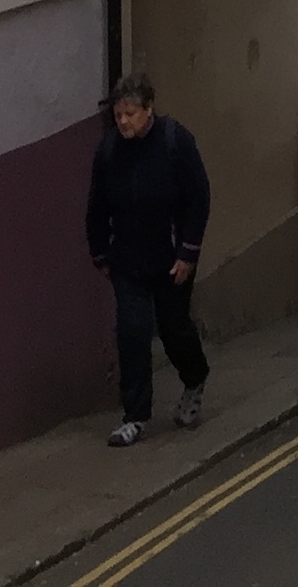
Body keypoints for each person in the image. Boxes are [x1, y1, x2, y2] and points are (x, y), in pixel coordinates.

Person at [85, 71, 211, 447]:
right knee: (132, 333)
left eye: (130, 113)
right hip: (128, 259)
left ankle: (195, 377)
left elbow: (198, 198)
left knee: (173, 329)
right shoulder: (109, 152)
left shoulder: (175, 142)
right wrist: (100, 252)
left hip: (171, 258)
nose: (123, 121)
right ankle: (135, 416)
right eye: (119, 115)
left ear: (149, 110)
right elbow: (96, 206)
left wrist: (188, 252)